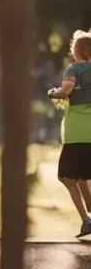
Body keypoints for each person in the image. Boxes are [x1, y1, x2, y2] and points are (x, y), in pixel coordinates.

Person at [48, 30, 91, 238]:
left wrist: (52, 93)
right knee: (84, 174)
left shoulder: (74, 68)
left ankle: (86, 220)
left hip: (78, 132)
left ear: (77, 51)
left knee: (67, 176)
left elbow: (65, 91)